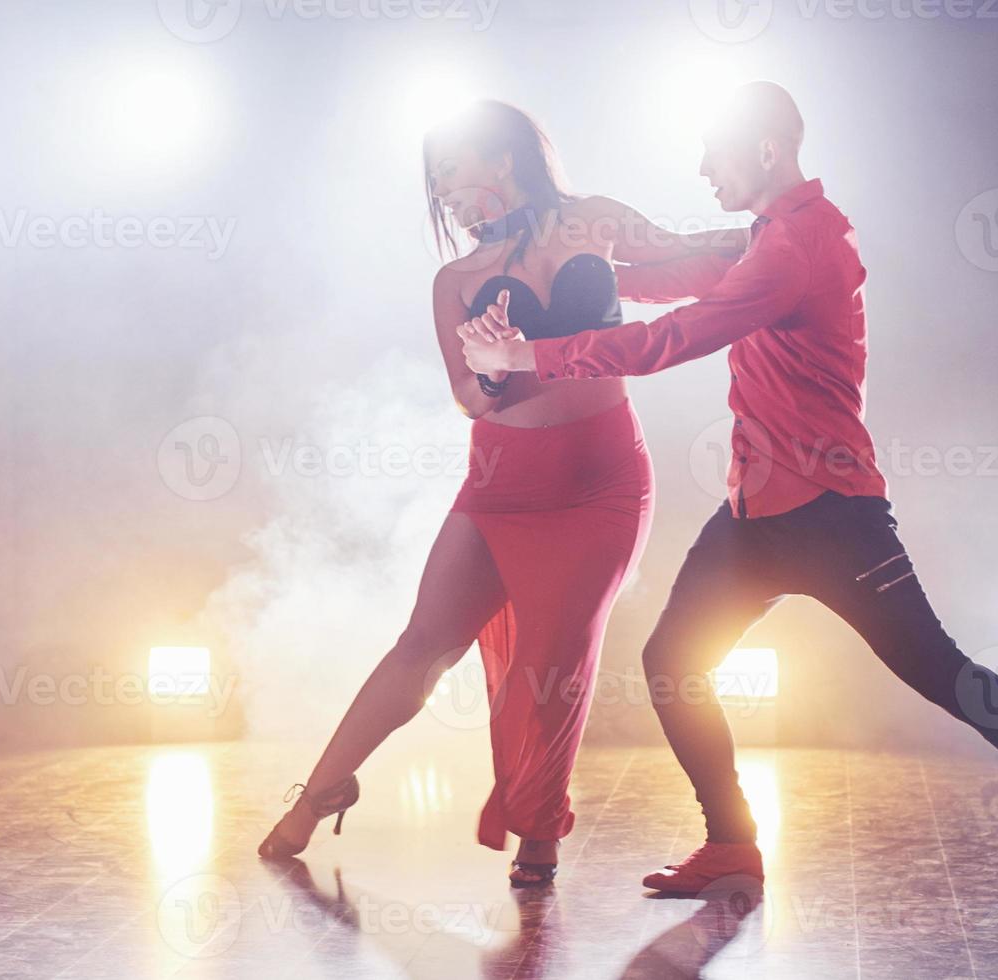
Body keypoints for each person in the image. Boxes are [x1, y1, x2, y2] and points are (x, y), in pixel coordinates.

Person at [460, 81, 998, 920]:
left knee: (949, 679)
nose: (699, 168)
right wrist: (552, 266)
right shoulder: (765, 237)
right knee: (673, 665)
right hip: (754, 517)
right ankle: (731, 845)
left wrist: (530, 352)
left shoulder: (801, 246)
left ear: (763, 150)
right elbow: (673, 272)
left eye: (712, 153)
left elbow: (672, 337)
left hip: (834, 515)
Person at [259, 100, 744, 887]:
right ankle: (319, 792)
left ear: (501, 160)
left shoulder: (594, 222)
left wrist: (773, 234)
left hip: (600, 486)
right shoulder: (457, 281)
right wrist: (492, 367)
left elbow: (686, 259)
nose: (442, 192)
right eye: (435, 181)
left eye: (449, 170)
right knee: (423, 644)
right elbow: (471, 398)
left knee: (554, 662)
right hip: (500, 486)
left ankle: (539, 834)